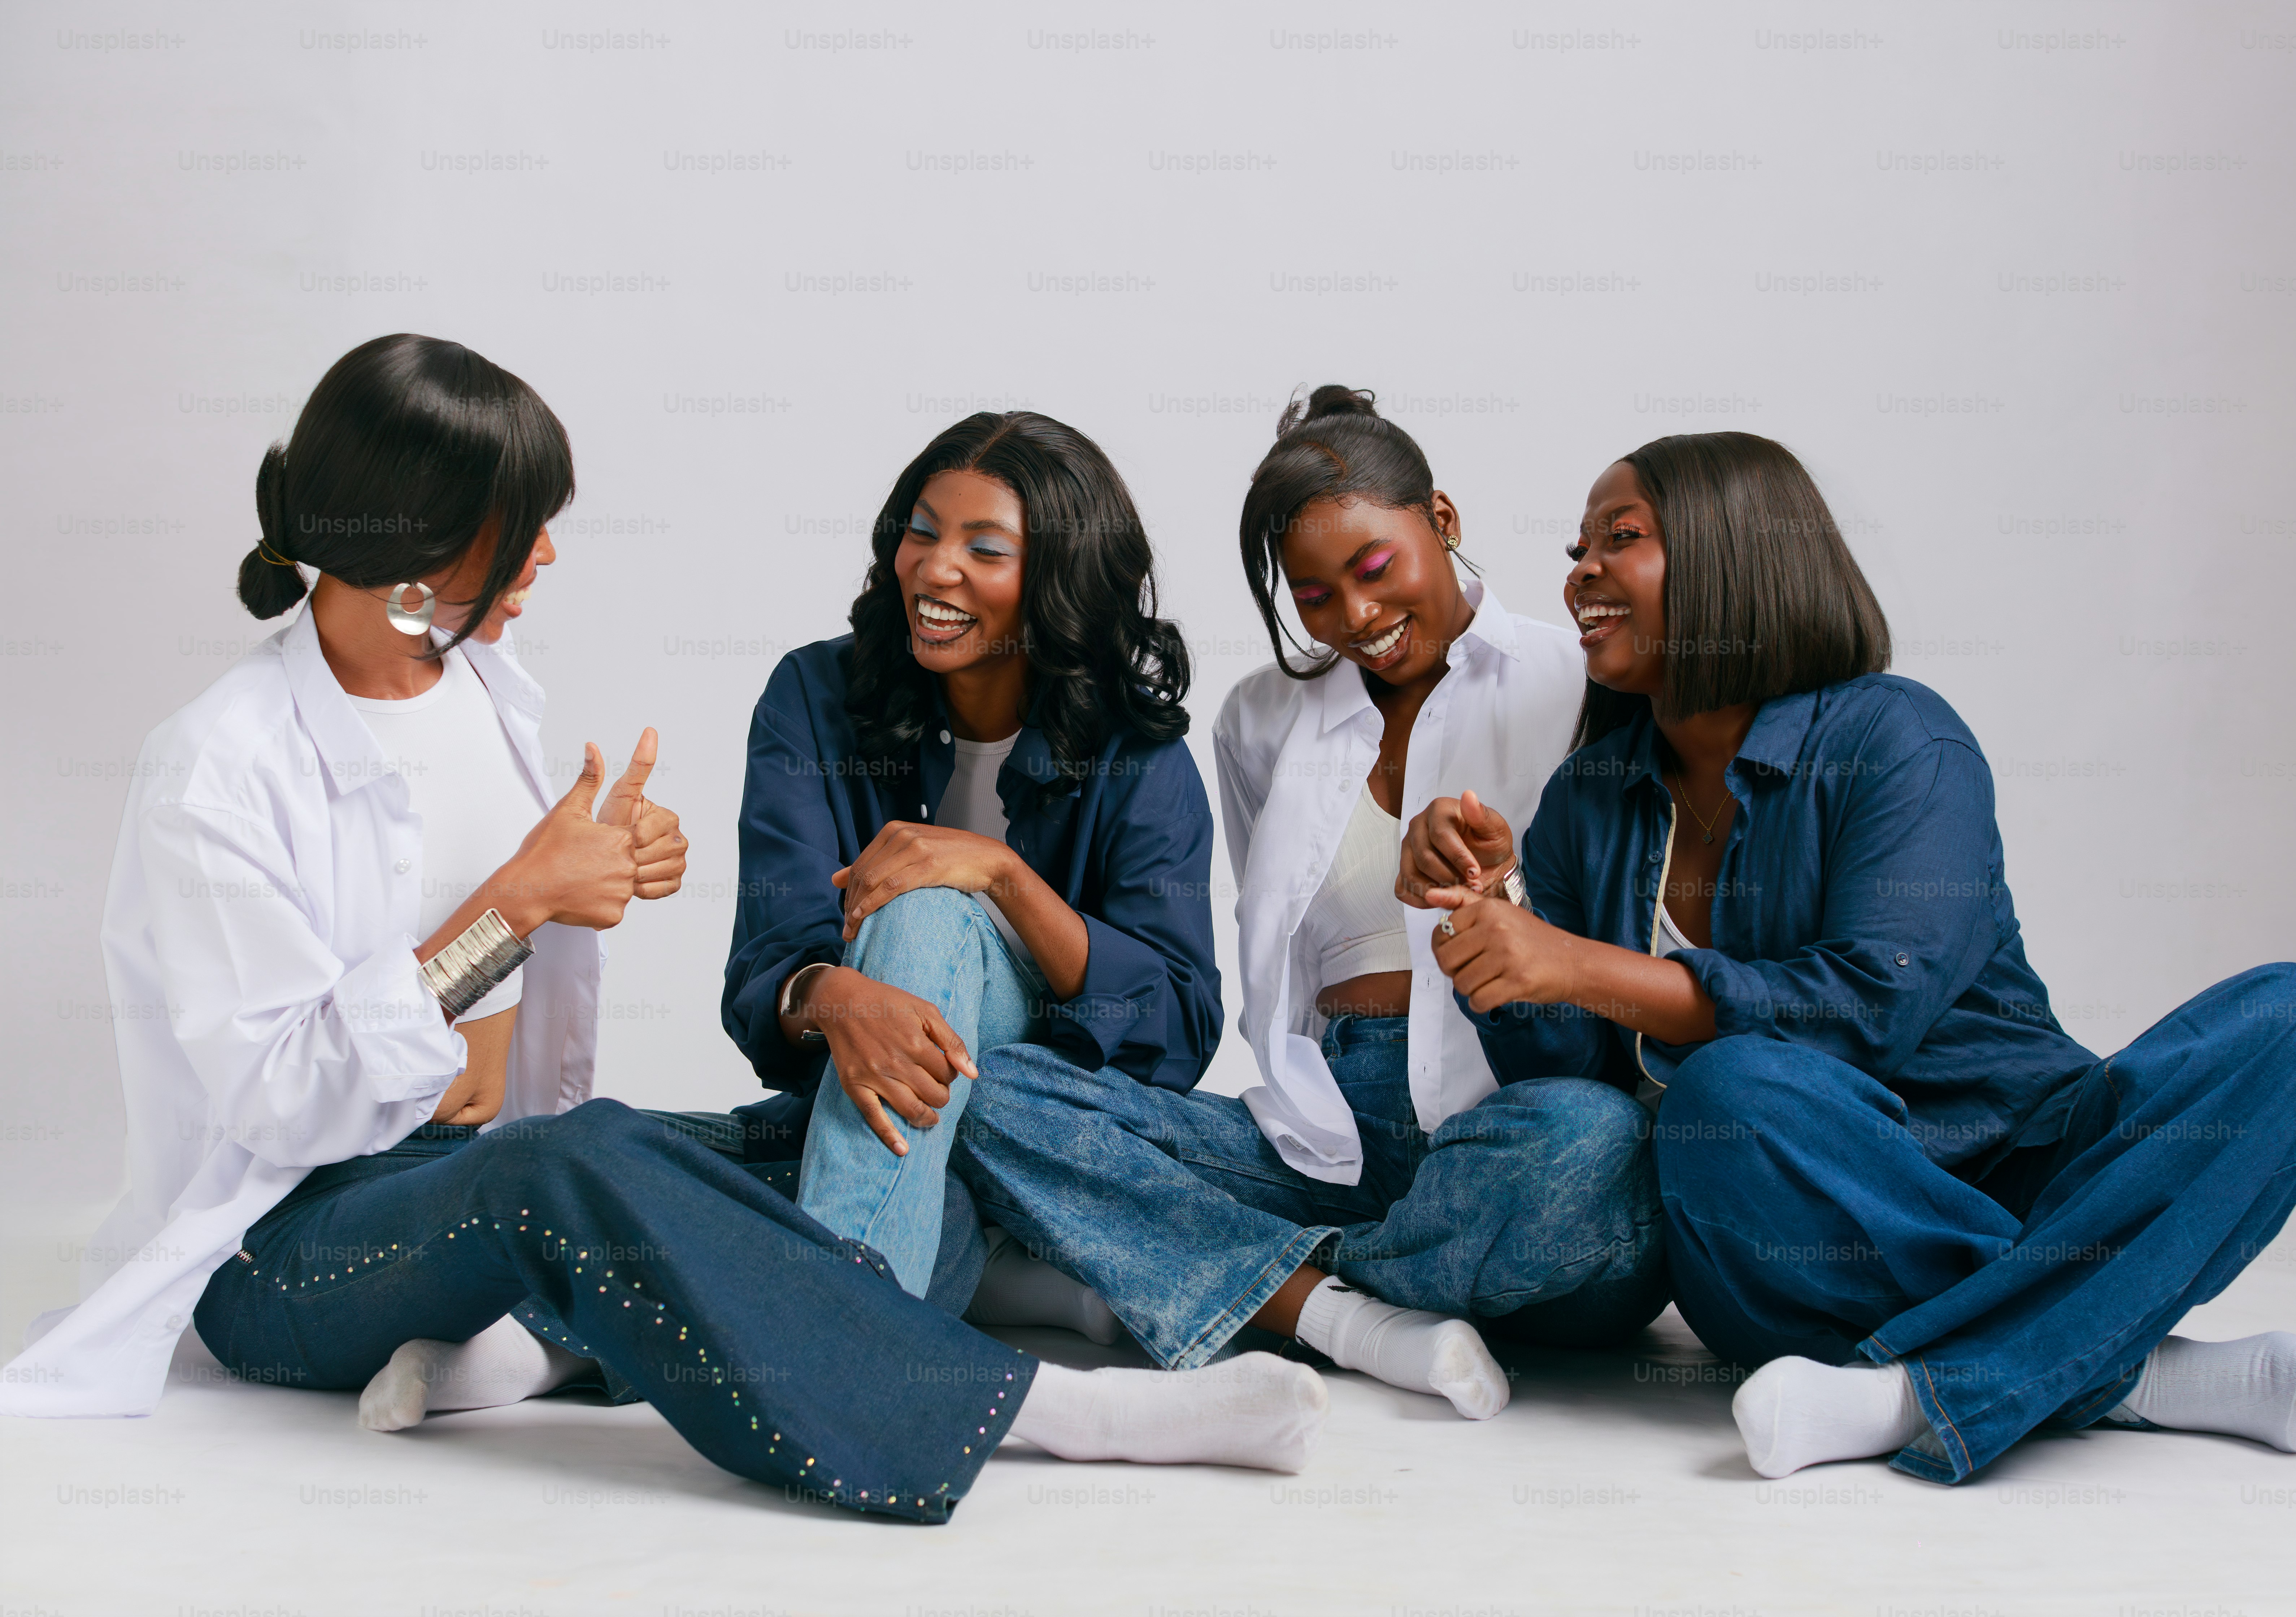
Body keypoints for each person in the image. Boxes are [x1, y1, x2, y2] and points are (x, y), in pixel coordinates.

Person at [0, 338, 1326, 1519]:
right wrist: (520, 903)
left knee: (704, 1149)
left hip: (462, 1171)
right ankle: (1055, 1412)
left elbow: (506, 973)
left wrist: (605, 875)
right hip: (283, 1248)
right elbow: (285, 1102)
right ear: (416, 549)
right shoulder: (215, 767)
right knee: (577, 1164)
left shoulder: (477, 693)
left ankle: (549, 1336)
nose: (549, 560)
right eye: (519, 535)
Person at [1418, 430, 2296, 1482]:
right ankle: (2109, 1360)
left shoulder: (1898, 739)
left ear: (1739, 556)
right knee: (1722, 1099)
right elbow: (1574, 1087)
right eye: (1576, 546)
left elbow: (1870, 1010)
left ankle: (1912, 1392)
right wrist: (1496, 912)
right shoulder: (1590, 800)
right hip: (1791, 1223)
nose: (1580, 571)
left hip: (2028, 1167)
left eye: (1621, 538)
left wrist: (1572, 962)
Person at [956, 387, 1666, 1417]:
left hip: (1517, 1121)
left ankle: (1248, 1279)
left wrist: (1505, 896)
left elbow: (1623, 924)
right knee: (993, 1091)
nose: (1358, 618)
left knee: (1594, 1147)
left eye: (1375, 570)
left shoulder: (1576, 678)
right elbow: (1280, 960)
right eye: (1316, 597)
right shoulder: (1260, 723)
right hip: (1331, 1136)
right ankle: (1348, 1317)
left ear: (1445, 521)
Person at [722, 409, 1223, 1314]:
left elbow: (1178, 1025)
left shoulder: (1137, 751)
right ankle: (960, 1271)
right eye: (921, 532)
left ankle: (838, 1333)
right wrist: (836, 996)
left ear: (1058, 583)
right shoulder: (814, 696)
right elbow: (768, 965)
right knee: (635, 1151)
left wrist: (998, 874)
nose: (935, 568)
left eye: (984, 550)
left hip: (1037, 1102)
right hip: (865, 1088)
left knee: (922, 908)